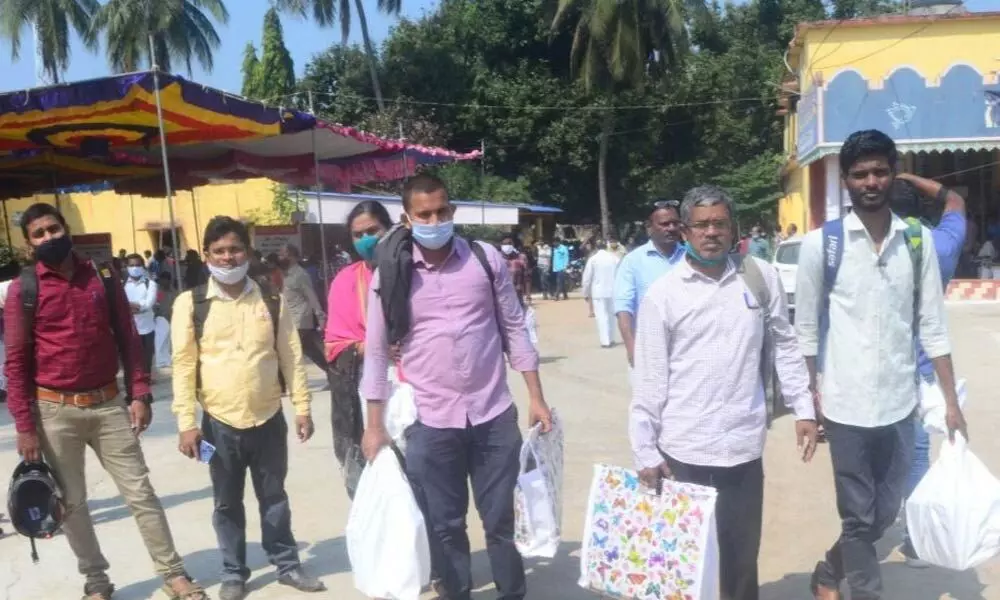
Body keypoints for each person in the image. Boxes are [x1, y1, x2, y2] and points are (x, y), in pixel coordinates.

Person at [360, 173, 553, 600]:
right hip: (430, 420)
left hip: (493, 413)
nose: (435, 220)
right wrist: (374, 426)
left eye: (441, 211)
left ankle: (512, 592)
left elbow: (515, 329)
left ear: (453, 211)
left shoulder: (485, 260)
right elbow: (375, 354)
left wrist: (536, 397)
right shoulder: (390, 275)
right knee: (445, 525)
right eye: (424, 214)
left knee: (501, 519)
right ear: (408, 220)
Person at [795, 130, 966, 600]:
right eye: (859, 173)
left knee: (885, 513)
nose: (870, 181)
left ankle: (830, 571)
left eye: (879, 171)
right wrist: (807, 405)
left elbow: (933, 327)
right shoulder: (821, 246)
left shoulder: (918, 244)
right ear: (846, 180)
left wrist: (951, 403)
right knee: (856, 516)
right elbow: (805, 331)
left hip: (899, 405)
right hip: (845, 409)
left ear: (892, 174)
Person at [5, 203, 205, 600]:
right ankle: (96, 581)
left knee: (141, 493)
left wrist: (140, 393)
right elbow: (15, 362)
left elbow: (129, 338)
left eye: (53, 229)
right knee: (73, 504)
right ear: (29, 244)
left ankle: (173, 573)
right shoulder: (24, 290)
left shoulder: (102, 276)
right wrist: (25, 426)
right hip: (53, 411)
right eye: (39, 234)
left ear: (66, 230)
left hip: (109, 405)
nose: (49, 237)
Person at [631, 185, 818, 600]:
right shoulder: (663, 295)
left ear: (733, 228)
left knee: (740, 559)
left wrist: (804, 408)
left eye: (719, 223)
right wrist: (645, 450)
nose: (710, 232)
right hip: (684, 450)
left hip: (743, 447)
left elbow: (785, 346)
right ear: (684, 231)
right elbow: (649, 379)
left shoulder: (759, 278)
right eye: (701, 225)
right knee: (685, 564)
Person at [171, 216, 324, 600]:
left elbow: (290, 355)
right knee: (226, 501)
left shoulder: (271, 299)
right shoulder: (191, 304)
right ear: (206, 255)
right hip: (218, 423)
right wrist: (187, 423)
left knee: (274, 497)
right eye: (219, 251)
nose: (227, 257)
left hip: (268, 416)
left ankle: (287, 564)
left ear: (248, 251)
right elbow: (184, 365)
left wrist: (302, 408)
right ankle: (234, 573)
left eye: (235, 249)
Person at [890, 172, 967, 567]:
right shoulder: (942, 244)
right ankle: (917, 540)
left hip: (878, 365)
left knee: (875, 448)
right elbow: (955, 202)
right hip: (922, 366)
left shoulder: (877, 244)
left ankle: (867, 527)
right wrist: (909, 176)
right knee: (917, 452)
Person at [614, 200, 686, 367]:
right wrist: (631, 347)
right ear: (649, 227)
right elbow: (624, 307)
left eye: (675, 223)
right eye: (664, 224)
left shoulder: (690, 258)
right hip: (649, 348)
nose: (671, 228)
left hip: (688, 349)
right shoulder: (633, 261)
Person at [278, 243, 328, 371]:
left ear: (293, 256)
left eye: (284, 254)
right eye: (280, 254)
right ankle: (332, 371)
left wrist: (320, 316)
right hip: (290, 318)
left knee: (289, 350)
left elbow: (311, 295)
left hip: (300, 319)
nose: (281, 257)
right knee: (310, 350)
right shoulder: (285, 274)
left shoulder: (300, 274)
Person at [124, 253, 159, 378]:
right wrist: (138, 306)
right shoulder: (122, 285)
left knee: (146, 357)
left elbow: (149, 303)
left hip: (146, 328)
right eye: (131, 265)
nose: (134, 268)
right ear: (126, 266)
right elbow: (119, 304)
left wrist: (129, 306)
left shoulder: (150, 284)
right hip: (129, 328)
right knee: (131, 358)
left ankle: (146, 379)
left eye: (138, 265)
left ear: (143, 266)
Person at [581, 239, 620, 348]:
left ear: (596, 247)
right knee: (612, 315)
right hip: (613, 291)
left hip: (598, 292)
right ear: (606, 246)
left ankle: (605, 341)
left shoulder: (593, 259)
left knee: (601, 316)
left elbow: (587, 278)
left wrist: (585, 292)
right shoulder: (615, 258)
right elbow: (620, 275)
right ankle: (611, 339)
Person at [500, 235, 529, 304]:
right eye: (505, 244)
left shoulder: (521, 258)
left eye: (509, 243)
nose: (507, 246)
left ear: (513, 245)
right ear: (501, 245)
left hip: (517, 291)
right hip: (502, 294)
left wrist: (527, 293)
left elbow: (527, 277)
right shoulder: (497, 258)